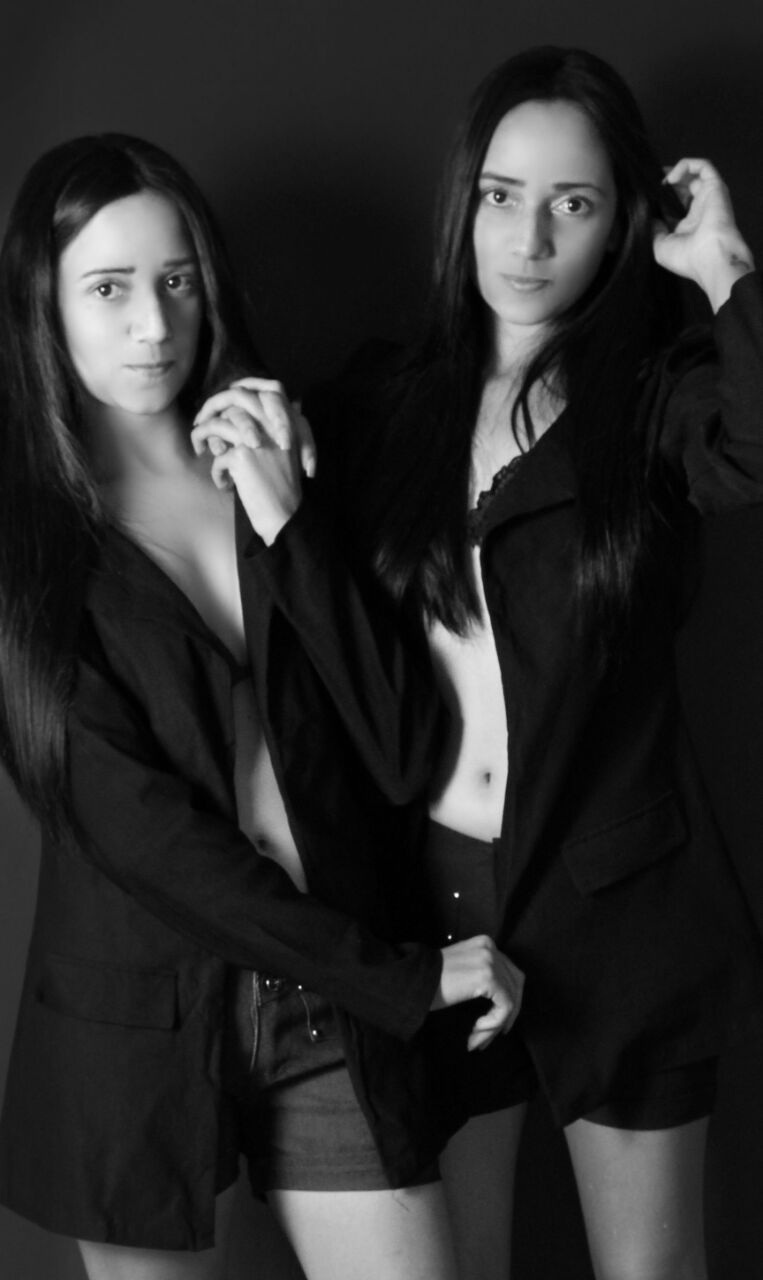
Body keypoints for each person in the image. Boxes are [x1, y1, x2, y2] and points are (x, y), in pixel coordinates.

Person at [203, 45, 763, 1280]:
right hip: (439, 908)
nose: (528, 239)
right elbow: (307, 581)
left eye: (574, 203)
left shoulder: (656, 400)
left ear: (622, 222)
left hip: (621, 913)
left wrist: (724, 269)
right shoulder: (386, 401)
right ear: (465, 200)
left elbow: (751, 450)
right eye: (503, 196)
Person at [0, 133, 524, 1280]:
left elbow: (401, 747)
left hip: (326, 1010)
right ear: (44, 305)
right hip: (138, 1029)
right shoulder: (27, 549)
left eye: (176, 279)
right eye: (108, 288)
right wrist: (398, 975)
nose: (153, 324)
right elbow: (147, 838)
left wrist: (291, 524)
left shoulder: (272, 467)